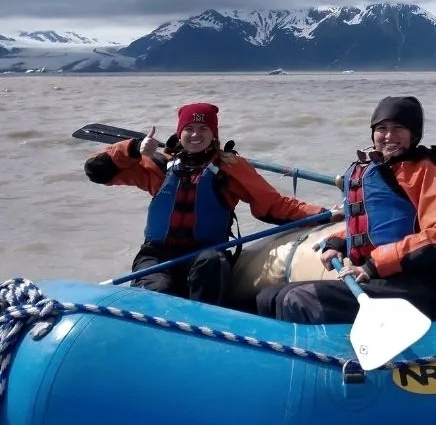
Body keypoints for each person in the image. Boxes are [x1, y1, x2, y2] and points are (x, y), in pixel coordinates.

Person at [84, 102, 329, 306]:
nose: (195, 134)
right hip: (157, 254)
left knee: (210, 264)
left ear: (214, 135)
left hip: (207, 254)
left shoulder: (230, 167)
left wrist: (323, 214)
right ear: (179, 133)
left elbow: (273, 204)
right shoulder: (157, 165)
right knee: (159, 289)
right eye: (189, 128)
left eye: (203, 128)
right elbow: (96, 171)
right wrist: (132, 148)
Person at [256, 96, 436, 324]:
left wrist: (373, 265)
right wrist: (339, 242)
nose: (388, 136)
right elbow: (375, 224)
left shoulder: (433, 171)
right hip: (378, 278)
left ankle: (321, 357)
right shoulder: (378, 169)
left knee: (299, 299)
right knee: (269, 297)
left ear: (414, 134)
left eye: (399, 128)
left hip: (417, 285)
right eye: (381, 128)